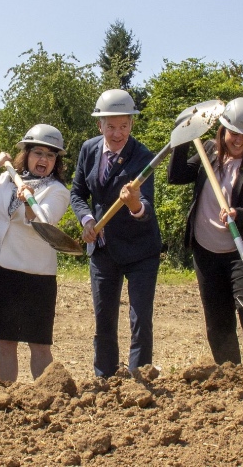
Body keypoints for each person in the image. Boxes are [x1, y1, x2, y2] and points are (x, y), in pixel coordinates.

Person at [168, 98, 243, 367]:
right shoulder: (207, 152)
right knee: (218, 322)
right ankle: (230, 374)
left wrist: (238, 213)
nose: (239, 140)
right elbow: (176, 175)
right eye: (234, 133)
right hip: (206, 251)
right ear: (222, 129)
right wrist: (182, 137)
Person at [70, 88, 162, 378]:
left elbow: (145, 208)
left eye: (124, 126)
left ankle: (139, 377)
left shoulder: (143, 155)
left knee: (140, 318)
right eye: (111, 126)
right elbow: (78, 193)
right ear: (100, 125)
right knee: (103, 318)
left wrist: (134, 203)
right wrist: (86, 220)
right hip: (103, 248)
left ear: (132, 124)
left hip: (140, 250)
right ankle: (104, 377)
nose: (117, 133)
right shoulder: (89, 150)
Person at [0, 124, 71, 381]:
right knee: (5, 342)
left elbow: (43, 223)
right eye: (38, 153)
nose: (44, 160)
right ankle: (7, 397)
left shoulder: (58, 191)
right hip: (0, 268)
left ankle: (46, 398)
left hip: (35, 274)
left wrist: (29, 201)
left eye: (50, 156)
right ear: (26, 154)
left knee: (38, 344)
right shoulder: (7, 178)